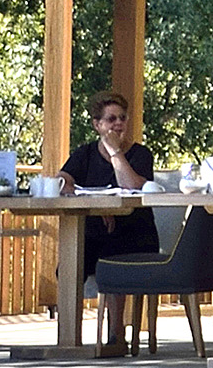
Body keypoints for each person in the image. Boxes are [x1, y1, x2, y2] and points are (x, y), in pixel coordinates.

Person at [61, 93, 161, 352]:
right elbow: (62, 180)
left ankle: (116, 337)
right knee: (70, 263)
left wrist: (115, 151)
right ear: (97, 124)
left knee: (114, 255)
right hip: (94, 231)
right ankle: (69, 338)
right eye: (110, 119)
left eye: (122, 118)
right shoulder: (84, 153)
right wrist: (93, 201)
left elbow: (131, 185)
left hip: (134, 232)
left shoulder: (140, 154)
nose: (118, 124)